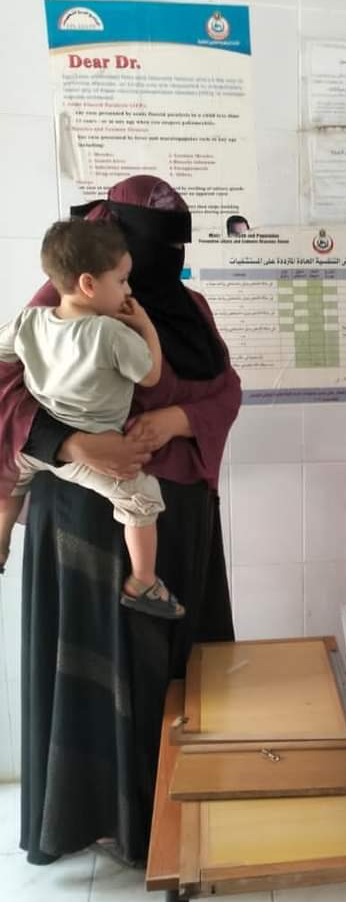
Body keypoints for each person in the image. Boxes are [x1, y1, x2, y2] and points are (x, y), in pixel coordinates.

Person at [0, 175, 241, 865]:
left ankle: (180, 806)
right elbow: (7, 388)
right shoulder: (63, 300)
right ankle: (102, 821)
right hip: (82, 513)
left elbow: (226, 388)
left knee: (171, 663)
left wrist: (179, 418)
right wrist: (74, 444)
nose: (166, 265)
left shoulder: (188, 306)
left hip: (174, 514)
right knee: (97, 665)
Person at [0, 219, 184, 619]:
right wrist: (145, 326)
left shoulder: (30, 321)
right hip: (94, 452)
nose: (129, 290)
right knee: (142, 497)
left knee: (12, 477)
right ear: (88, 284)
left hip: (37, 446)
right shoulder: (109, 334)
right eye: (122, 280)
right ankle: (143, 581)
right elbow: (150, 375)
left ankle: (1, 540)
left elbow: (2, 351)